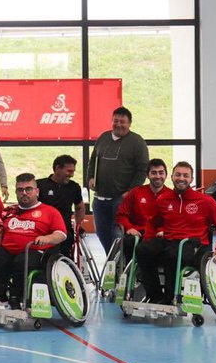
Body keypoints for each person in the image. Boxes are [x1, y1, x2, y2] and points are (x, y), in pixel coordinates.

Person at [136, 161, 216, 305]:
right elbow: (153, 223)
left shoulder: (206, 201)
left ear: (191, 179)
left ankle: (169, 299)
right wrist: (149, 241)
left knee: (172, 255)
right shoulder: (163, 199)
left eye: (186, 175)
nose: (181, 178)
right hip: (169, 240)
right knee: (142, 250)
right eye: (178, 175)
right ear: (172, 177)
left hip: (194, 244)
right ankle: (155, 295)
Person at [0, 173, 66, 308]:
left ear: (37, 191)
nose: (24, 193)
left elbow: (61, 234)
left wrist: (47, 238)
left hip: (34, 251)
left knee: (22, 261)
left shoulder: (50, 212)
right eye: (20, 190)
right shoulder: (8, 211)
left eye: (28, 189)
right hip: (8, 250)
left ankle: (15, 296)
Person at [86, 107, 150, 255]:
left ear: (130, 124)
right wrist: (90, 178)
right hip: (99, 199)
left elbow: (142, 170)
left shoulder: (137, 142)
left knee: (118, 234)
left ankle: (120, 269)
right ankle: (112, 265)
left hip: (121, 199)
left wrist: (130, 191)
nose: (119, 124)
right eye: (116, 121)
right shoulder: (103, 138)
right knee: (102, 233)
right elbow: (93, 160)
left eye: (123, 122)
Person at [115, 157, 169, 260]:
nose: (158, 176)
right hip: (138, 233)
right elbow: (121, 214)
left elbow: (176, 220)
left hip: (160, 235)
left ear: (166, 175)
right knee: (129, 241)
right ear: (148, 175)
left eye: (161, 173)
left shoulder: (172, 195)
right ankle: (133, 273)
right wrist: (129, 228)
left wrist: (165, 231)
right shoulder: (136, 192)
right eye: (154, 173)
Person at [37, 154, 86, 257]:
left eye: (73, 171)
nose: (71, 175)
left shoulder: (74, 187)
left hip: (64, 230)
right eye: (69, 171)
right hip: (42, 230)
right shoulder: (40, 185)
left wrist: (79, 225)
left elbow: (79, 207)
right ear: (57, 168)